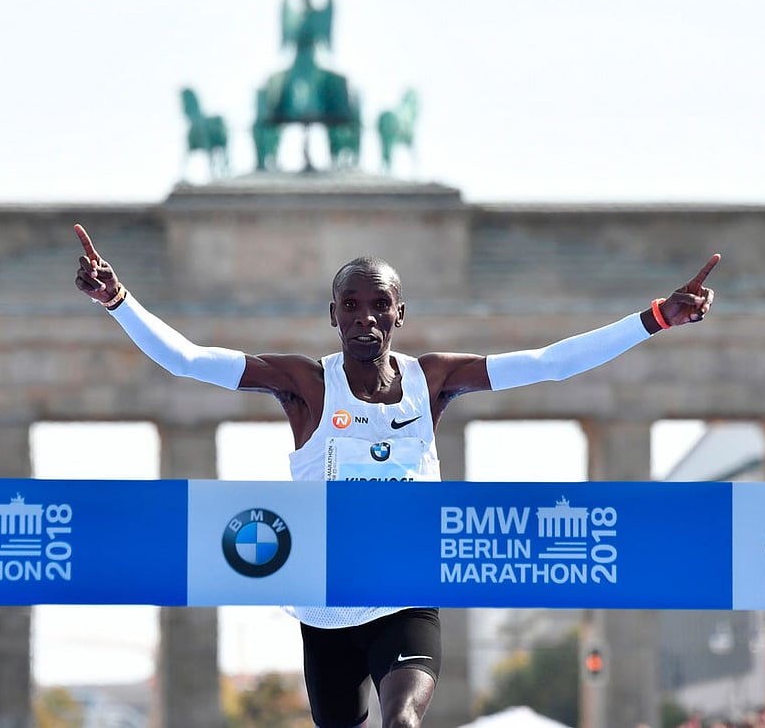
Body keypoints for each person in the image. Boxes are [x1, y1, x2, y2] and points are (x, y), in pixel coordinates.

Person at [73, 223, 718, 728]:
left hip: (406, 589)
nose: (365, 319)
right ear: (333, 316)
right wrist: (118, 300)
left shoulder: (431, 380)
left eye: (379, 306)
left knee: (402, 718)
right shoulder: (304, 384)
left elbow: (547, 363)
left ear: (399, 314)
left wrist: (657, 317)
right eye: (350, 306)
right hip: (326, 602)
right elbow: (188, 360)